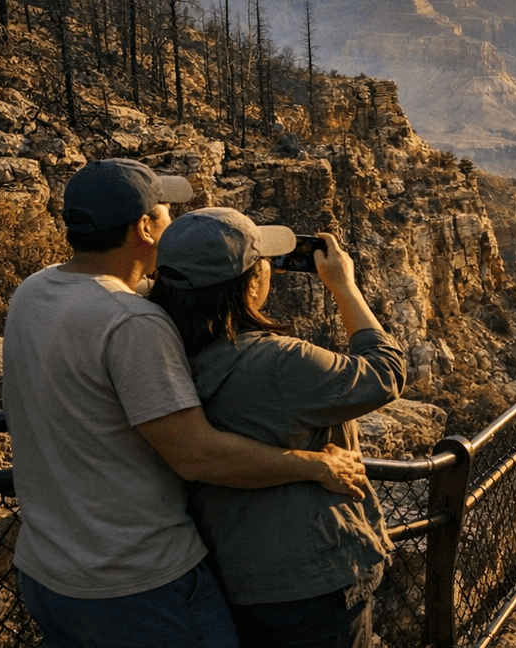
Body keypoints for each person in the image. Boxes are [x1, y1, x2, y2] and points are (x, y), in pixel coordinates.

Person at [3, 159, 367, 648]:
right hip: (138, 583)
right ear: (145, 228)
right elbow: (197, 455)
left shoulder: (34, 290)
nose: (172, 221)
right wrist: (316, 467)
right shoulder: (131, 321)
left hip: (48, 571)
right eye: (166, 211)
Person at [149, 209, 406, 648]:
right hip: (314, 579)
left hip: (227, 573)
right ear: (251, 282)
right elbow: (385, 373)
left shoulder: (154, 347)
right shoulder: (280, 363)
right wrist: (344, 285)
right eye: (263, 260)